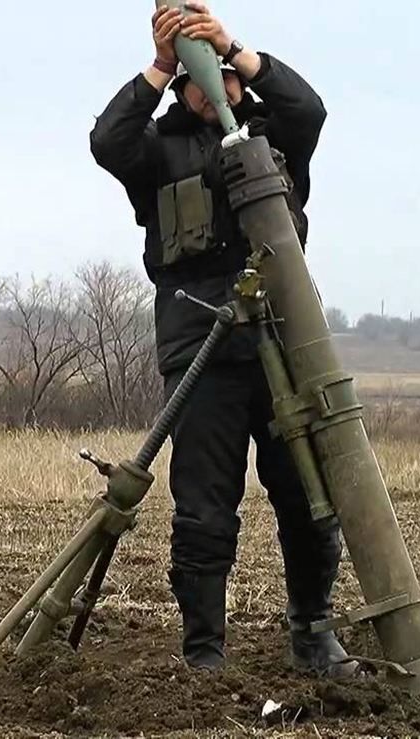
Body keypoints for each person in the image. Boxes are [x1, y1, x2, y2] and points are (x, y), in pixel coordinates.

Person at [89, 2, 353, 677]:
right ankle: (204, 651)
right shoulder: (159, 151)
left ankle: (313, 631)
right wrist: (161, 62)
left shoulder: (276, 136)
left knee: (307, 494)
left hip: (284, 346)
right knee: (205, 507)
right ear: (184, 86)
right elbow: (108, 141)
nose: (219, 89)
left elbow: (312, 108)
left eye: (228, 78)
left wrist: (231, 46)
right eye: (202, 77)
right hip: (200, 348)